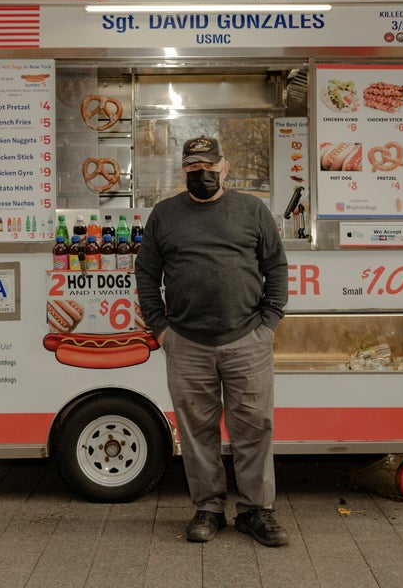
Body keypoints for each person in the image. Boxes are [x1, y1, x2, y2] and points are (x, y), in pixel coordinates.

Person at [134, 136, 290, 547]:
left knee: (254, 427)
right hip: (186, 343)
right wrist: (160, 329)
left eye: (208, 165)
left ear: (225, 166)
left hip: (247, 340)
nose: (200, 173)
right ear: (182, 170)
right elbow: (146, 274)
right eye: (192, 167)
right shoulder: (164, 214)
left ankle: (257, 511)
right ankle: (209, 508)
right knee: (197, 432)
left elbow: (276, 266)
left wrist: (269, 323)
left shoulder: (252, 210)